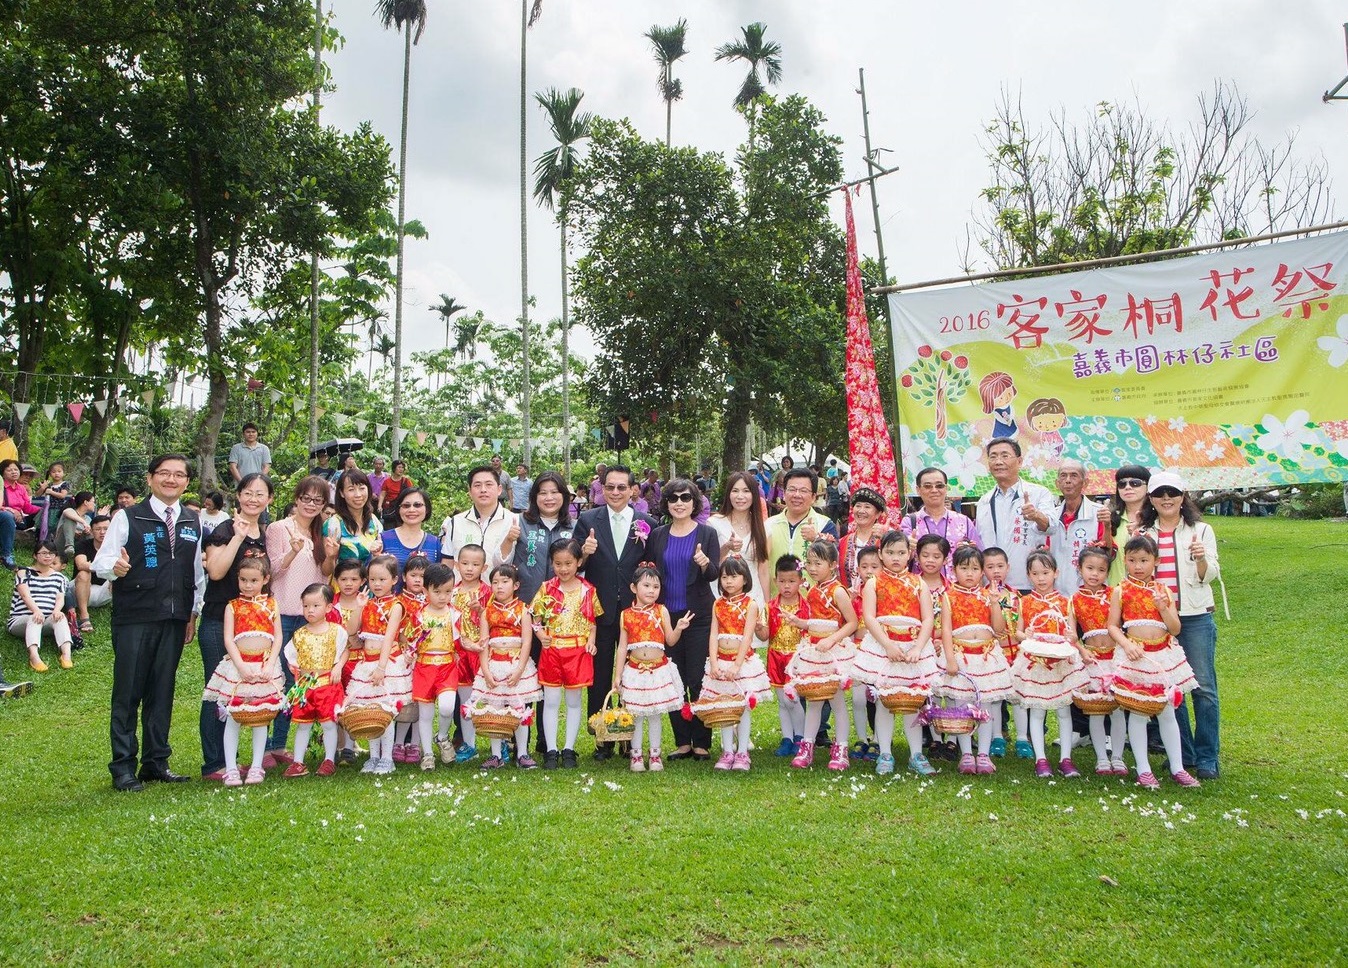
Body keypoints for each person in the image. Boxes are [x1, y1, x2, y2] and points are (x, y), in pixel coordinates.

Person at [92, 453, 204, 792]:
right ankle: (123, 767)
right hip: (135, 617)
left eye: (179, 475)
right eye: (164, 473)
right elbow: (102, 562)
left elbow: (196, 573)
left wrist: (192, 612)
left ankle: (156, 762)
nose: (171, 480)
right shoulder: (128, 517)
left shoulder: (191, 520)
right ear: (150, 478)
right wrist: (117, 568)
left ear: (187, 482)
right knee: (128, 692)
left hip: (173, 617)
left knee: (162, 691)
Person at [1138, 471, 1222, 780]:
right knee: (1172, 688)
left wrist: (1200, 559)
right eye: (1160, 494)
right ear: (1151, 499)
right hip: (1158, 621)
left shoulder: (1201, 530)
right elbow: (1138, 571)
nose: (1166, 499)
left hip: (1196, 617)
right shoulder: (1145, 532)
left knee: (1203, 688)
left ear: (1183, 497)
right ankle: (1182, 754)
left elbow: (1210, 575)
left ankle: (1207, 757)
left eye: (1172, 493)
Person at [576, 464, 660, 760]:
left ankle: (630, 737)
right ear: (601, 488)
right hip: (600, 611)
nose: (615, 492)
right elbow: (573, 566)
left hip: (634, 611)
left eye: (621, 487)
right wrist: (584, 552)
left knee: (632, 675)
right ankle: (602, 739)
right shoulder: (587, 519)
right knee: (600, 676)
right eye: (609, 487)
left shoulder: (646, 522)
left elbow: (650, 567)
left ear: (632, 490)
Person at [1108, 534, 1202, 789]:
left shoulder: (1164, 591)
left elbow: (1175, 628)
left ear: (1156, 561)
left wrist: (1162, 607)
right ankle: (1144, 769)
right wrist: (1127, 644)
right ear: (1125, 561)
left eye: (1144, 560)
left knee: (1167, 712)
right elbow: (1112, 627)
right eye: (1132, 560)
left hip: (1162, 658)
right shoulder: (1120, 590)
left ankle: (1178, 767)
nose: (1138, 566)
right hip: (1136, 659)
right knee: (1138, 713)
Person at [199, 473, 273, 781]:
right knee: (219, 692)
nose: (253, 499)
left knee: (249, 691)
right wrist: (238, 538)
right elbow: (215, 572)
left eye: (260, 494)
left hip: (254, 628)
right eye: (248, 493)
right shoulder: (224, 529)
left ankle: (237, 758)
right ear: (238, 495)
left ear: (269, 500)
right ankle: (215, 763)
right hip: (220, 622)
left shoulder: (266, 534)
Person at [263, 475, 341, 768]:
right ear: (296, 499)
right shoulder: (278, 529)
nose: (311, 504)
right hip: (283, 612)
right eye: (306, 498)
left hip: (312, 619)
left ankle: (280, 745)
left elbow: (324, 576)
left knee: (301, 681)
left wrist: (331, 556)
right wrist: (293, 550)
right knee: (280, 677)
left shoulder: (322, 533)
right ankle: (270, 744)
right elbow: (271, 571)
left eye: (318, 501)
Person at [642, 479, 720, 761]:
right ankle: (682, 741)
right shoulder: (658, 535)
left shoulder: (707, 534)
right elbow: (649, 574)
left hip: (698, 615)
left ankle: (701, 741)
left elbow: (714, 574)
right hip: (665, 616)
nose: (679, 502)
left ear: (694, 502)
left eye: (685, 498)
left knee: (697, 678)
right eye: (673, 498)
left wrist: (704, 564)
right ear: (666, 503)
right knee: (673, 679)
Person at [854, 530, 938, 776]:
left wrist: (918, 647)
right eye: (890, 552)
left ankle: (916, 754)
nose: (895, 558)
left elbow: (928, 618)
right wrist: (888, 645)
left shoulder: (918, 582)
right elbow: (869, 617)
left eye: (901, 552)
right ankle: (885, 753)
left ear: (910, 554)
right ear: (880, 554)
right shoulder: (874, 582)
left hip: (912, 646)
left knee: (912, 701)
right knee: (883, 700)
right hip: (883, 646)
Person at [199, 557, 285, 787]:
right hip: (240, 668)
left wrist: (270, 664)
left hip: (264, 666)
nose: (248, 585)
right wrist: (240, 665)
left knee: (261, 717)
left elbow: (278, 637)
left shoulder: (272, 604)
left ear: (265, 580)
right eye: (243, 580)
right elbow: (228, 638)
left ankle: (257, 767)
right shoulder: (233, 606)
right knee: (234, 717)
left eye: (254, 580)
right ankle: (230, 768)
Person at [1009, 550, 1089, 780]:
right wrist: (1027, 635)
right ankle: (1040, 758)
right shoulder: (1024, 602)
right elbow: (1018, 633)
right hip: (1035, 663)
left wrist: (1071, 637)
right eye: (1035, 574)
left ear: (1056, 572)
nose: (1041, 578)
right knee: (1037, 711)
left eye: (1045, 572)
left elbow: (1072, 633)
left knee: (1064, 711)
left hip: (1061, 662)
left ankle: (1066, 758)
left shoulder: (1065, 602)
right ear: (1028, 575)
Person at [941, 545, 1012, 776]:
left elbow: (999, 630)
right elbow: (946, 631)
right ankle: (966, 754)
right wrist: (950, 660)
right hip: (961, 657)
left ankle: (983, 753)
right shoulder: (948, 597)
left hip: (986, 656)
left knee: (986, 706)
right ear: (954, 571)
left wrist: (994, 603)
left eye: (974, 569)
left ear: (982, 571)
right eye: (964, 568)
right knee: (962, 707)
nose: (969, 574)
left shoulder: (989, 596)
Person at [788, 539, 859, 771]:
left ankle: (841, 748)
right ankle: (807, 745)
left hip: (833, 652)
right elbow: (817, 619)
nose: (812, 568)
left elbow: (852, 622)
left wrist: (832, 639)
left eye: (818, 563)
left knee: (836, 701)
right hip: (815, 649)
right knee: (814, 700)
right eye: (809, 563)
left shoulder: (838, 591)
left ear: (831, 564)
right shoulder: (814, 589)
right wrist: (801, 623)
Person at [694, 557, 770, 771]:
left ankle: (743, 751)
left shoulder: (751, 604)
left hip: (741, 662)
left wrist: (737, 665)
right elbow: (713, 634)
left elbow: (747, 637)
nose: (728, 581)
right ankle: (728, 751)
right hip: (721, 660)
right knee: (724, 705)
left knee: (742, 707)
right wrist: (714, 662)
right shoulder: (718, 604)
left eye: (734, 576)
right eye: (724, 577)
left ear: (745, 579)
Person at [532, 537, 601, 770]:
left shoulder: (588, 589)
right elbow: (535, 618)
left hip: (577, 652)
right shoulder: (546, 588)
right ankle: (551, 749)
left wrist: (591, 642)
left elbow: (592, 622)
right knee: (550, 701)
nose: (563, 569)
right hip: (552, 651)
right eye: (558, 563)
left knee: (573, 702)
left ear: (579, 562)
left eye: (568, 563)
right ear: (552, 563)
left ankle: (569, 748)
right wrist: (541, 636)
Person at [615, 564, 691, 772]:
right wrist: (618, 675)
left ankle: (655, 754)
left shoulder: (661, 610)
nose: (651, 591)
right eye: (646, 585)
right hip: (635, 670)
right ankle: (636, 754)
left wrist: (679, 628)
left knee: (655, 714)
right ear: (633, 588)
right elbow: (622, 647)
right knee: (637, 714)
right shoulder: (626, 614)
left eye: (655, 587)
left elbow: (671, 640)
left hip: (658, 670)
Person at [470, 563, 542, 769]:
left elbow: (527, 641)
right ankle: (495, 755)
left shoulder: (523, 609)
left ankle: (522, 753)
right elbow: (483, 643)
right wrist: (485, 670)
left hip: (517, 664)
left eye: (505, 582)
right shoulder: (487, 612)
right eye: (495, 582)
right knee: (495, 710)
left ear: (516, 585)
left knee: (520, 709)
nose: (499, 586)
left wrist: (520, 669)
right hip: (494, 664)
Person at [280, 583, 349, 778]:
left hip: (327, 684)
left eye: (315, 606)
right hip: (306, 686)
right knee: (303, 724)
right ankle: (298, 762)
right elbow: (291, 656)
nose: (310, 610)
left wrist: (338, 667)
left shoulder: (337, 631)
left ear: (328, 608)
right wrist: (293, 668)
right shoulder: (299, 634)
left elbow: (345, 651)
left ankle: (329, 759)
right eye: (306, 606)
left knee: (329, 724)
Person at [1071, 546, 1128, 777]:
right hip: (1092, 660)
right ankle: (1102, 758)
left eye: (1101, 570)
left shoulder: (1115, 594)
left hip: (1115, 658)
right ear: (1080, 569)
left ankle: (1118, 756)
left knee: (1117, 710)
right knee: (1096, 710)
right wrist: (1082, 651)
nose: (1095, 574)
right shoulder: (1073, 600)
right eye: (1090, 568)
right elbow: (1070, 635)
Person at [974, 440, 1054, 591]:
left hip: (1029, 583)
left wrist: (1036, 515)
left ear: (1019, 461)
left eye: (1005, 456)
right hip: (992, 587)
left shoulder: (1039, 493)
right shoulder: (984, 501)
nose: (998, 461)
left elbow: (1052, 526)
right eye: (993, 457)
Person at [406, 562, 460, 771]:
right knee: (425, 713)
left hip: (447, 667)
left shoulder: (454, 614)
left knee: (447, 707)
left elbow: (463, 638)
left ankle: (443, 736)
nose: (442, 597)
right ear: (426, 589)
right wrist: (409, 654)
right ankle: (427, 753)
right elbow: (411, 640)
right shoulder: (419, 615)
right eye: (437, 591)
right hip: (424, 667)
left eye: (447, 591)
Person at [756, 555, 809, 757]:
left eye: (791, 581)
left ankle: (801, 737)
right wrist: (758, 629)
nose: (786, 586)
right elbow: (765, 635)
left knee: (793, 699)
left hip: (797, 660)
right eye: (782, 581)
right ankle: (787, 738)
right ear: (775, 580)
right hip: (776, 657)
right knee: (782, 702)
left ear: (801, 581)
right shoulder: (770, 607)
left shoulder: (806, 607)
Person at [763, 467, 838, 598]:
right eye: (792, 490)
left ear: (814, 497)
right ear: (784, 493)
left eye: (803, 491)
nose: (797, 495)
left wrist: (816, 538)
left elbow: (834, 558)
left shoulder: (824, 524)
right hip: (776, 605)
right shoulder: (768, 525)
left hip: (814, 606)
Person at [982, 547, 1027, 759]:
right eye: (990, 567)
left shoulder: (1016, 597)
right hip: (993, 653)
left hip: (1016, 654)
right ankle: (996, 736)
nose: (996, 571)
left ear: (1008, 568)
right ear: (983, 570)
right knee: (994, 698)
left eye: (1000, 566)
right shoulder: (981, 597)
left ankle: (1022, 738)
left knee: (1018, 697)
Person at [449, 544, 491, 763]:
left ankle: (499, 742)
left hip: (482, 653)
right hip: (460, 654)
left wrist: (481, 611)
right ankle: (469, 743)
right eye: (464, 563)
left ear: (483, 567)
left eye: (475, 564)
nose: (469, 568)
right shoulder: (452, 592)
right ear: (457, 564)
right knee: (465, 700)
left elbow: (495, 620)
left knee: (491, 699)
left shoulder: (488, 593)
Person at [899, 467, 981, 577]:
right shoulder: (910, 521)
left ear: (946, 488)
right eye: (928, 486)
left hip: (957, 591)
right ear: (918, 490)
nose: (934, 490)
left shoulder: (964, 521)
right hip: (921, 590)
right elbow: (900, 559)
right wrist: (907, 549)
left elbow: (979, 558)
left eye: (939, 486)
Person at [440, 464, 520, 575]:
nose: (483, 490)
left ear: (499, 489)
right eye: (477, 485)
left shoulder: (515, 521)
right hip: (461, 592)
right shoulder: (456, 522)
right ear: (470, 491)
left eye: (488, 485)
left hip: (497, 591)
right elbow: (447, 563)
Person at [8, 539, 75, 672]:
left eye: (51, 553)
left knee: (60, 617)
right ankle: (34, 657)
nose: (47, 556)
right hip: (21, 620)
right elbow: (25, 595)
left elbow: (60, 598)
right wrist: (36, 611)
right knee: (34, 617)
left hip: (47, 620)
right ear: (35, 555)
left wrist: (57, 610)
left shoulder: (60, 577)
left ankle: (66, 655)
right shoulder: (23, 573)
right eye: (43, 553)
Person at [708, 470, 770, 610]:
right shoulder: (714, 524)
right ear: (728, 494)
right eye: (735, 491)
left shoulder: (763, 528)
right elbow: (709, 565)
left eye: (746, 491)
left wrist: (767, 605)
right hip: (722, 595)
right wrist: (726, 547)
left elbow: (763, 569)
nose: (740, 496)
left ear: (754, 495)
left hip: (753, 597)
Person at [1046, 459, 1109, 596]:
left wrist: (1108, 526)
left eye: (1074, 475)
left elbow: (1109, 552)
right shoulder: (1050, 517)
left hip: (1089, 594)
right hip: (1056, 594)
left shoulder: (1098, 513)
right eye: (1063, 476)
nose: (1068, 480)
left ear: (1085, 483)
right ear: (1057, 483)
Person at [513, 472, 575, 606]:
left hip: (563, 606)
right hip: (525, 602)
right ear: (534, 496)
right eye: (543, 493)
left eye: (554, 492)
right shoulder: (519, 522)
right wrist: (508, 540)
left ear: (564, 496)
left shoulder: (575, 527)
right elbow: (502, 559)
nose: (549, 498)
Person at [325, 469, 382, 569]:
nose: (358, 495)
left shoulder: (374, 521)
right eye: (351, 489)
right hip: (342, 584)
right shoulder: (333, 524)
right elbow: (326, 571)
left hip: (371, 583)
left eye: (362, 488)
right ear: (342, 493)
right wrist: (330, 557)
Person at [1106, 465, 1151, 584]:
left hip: (1148, 592)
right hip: (1116, 591)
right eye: (1122, 484)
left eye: (1135, 483)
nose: (1128, 487)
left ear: (1148, 487)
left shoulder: (1156, 519)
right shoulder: (1111, 519)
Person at [379, 487, 440, 572]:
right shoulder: (384, 539)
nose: (411, 510)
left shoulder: (434, 543)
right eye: (406, 506)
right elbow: (370, 573)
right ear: (399, 510)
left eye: (417, 505)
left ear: (427, 509)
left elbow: (438, 578)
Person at [839, 486, 889, 588]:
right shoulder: (843, 542)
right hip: (848, 602)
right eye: (858, 506)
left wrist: (886, 540)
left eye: (867, 507)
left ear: (878, 514)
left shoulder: (885, 541)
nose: (861, 511)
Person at [72, 514, 113, 634]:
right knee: (84, 573)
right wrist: (108, 569)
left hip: (103, 591)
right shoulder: (83, 545)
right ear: (91, 530)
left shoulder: (115, 548)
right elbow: (81, 565)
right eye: (98, 529)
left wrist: (113, 576)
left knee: (120, 574)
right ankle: (84, 617)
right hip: (80, 589)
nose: (102, 532)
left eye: (106, 529)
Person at [0, 458, 40, 569]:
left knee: (46, 513)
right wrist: (11, 510)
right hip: (5, 516)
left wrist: (43, 509)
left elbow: (27, 508)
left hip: (20, 519)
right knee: (8, 517)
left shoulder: (21, 488)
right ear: (2, 473)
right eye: (9, 470)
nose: (14, 472)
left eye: (16, 469)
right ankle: (6, 554)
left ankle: (42, 545)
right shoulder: (1, 486)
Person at [55, 490, 96, 560]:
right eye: (93, 502)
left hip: (78, 545)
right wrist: (84, 523)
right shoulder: (70, 511)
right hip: (63, 544)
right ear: (86, 502)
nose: (94, 505)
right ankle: (69, 547)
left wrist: (87, 531)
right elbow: (66, 512)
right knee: (70, 520)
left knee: (92, 531)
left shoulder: (88, 519)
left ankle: (91, 554)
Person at [379, 460, 413, 525]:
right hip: (389, 509)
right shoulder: (387, 481)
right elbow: (382, 494)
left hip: (402, 509)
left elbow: (411, 495)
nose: (401, 469)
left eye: (402, 468)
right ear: (394, 468)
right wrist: (379, 506)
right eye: (399, 467)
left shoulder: (406, 481)